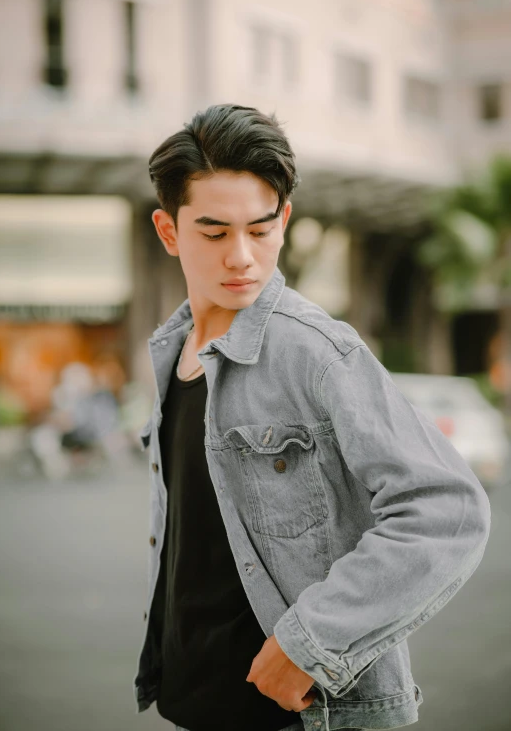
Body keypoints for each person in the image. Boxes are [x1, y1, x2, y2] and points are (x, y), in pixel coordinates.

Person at [133, 104, 491, 731]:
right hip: (191, 697)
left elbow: (448, 509)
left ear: (286, 220)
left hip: (302, 713)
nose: (241, 256)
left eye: (261, 229)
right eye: (214, 233)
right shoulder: (173, 352)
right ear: (169, 232)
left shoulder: (316, 352)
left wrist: (308, 644)